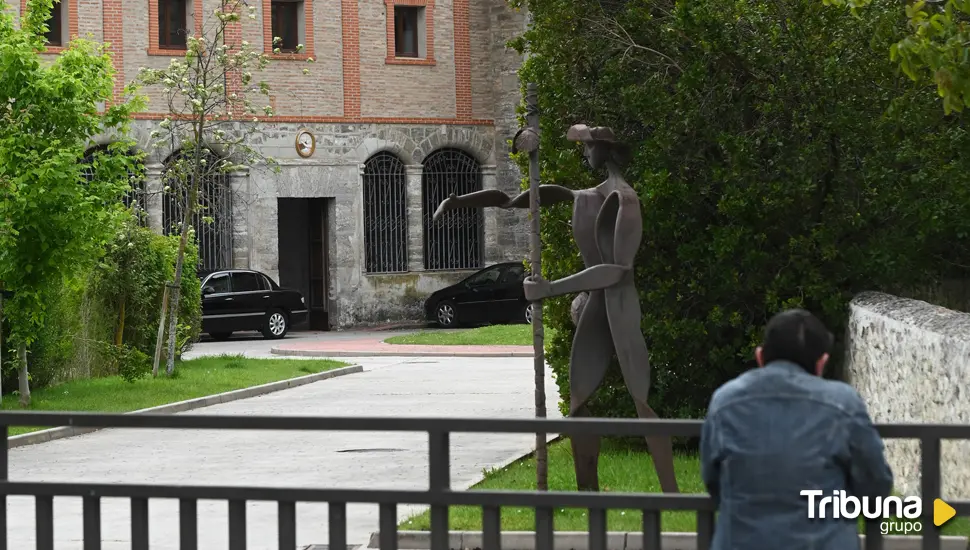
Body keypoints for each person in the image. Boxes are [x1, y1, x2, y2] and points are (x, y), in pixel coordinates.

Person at [700, 309, 893, 550]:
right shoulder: (843, 403)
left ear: (760, 357)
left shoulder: (724, 401)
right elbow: (875, 482)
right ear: (821, 363)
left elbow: (712, 478)